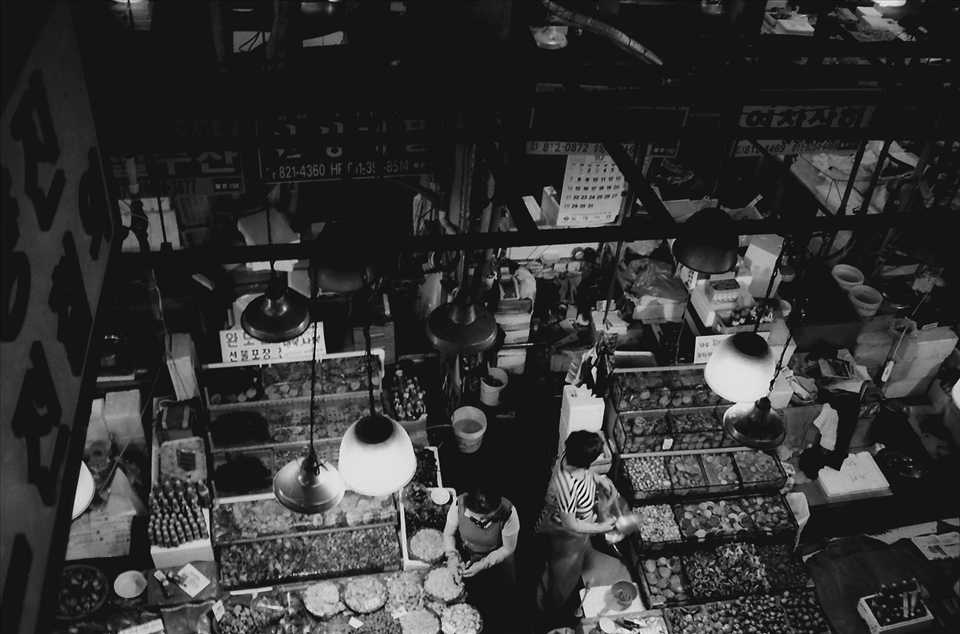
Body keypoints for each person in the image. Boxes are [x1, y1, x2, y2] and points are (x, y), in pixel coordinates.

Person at [535, 430, 617, 619]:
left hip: (565, 529)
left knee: (550, 568)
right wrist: (599, 528)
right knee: (561, 580)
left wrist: (597, 479)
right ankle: (547, 614)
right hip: (564, 538)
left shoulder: (570, 457)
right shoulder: (568, 487)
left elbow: (596, 441)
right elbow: (570, 524)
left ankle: (545, 586)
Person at [442, 485, 520, 617]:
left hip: (497, 556)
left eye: (484, 518)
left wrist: (484, 563)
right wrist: (452, 557)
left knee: (500, 599)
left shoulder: (509, 514)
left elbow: (508, 548)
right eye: (473, 518)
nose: (479, 523)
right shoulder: (458, 505)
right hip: (468, 552)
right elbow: (448, 535)